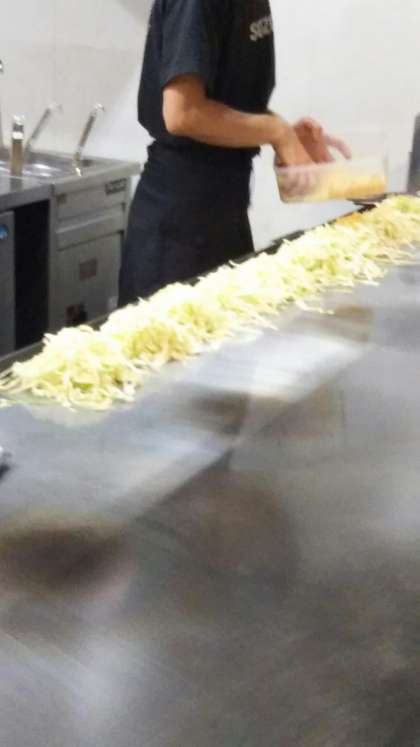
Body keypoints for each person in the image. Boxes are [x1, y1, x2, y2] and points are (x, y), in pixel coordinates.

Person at [119, 0, 348, 306]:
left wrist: (287, 137)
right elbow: (182, 114)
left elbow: (225, 98)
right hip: (179, 229)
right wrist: (276, 132)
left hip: (225, 214)